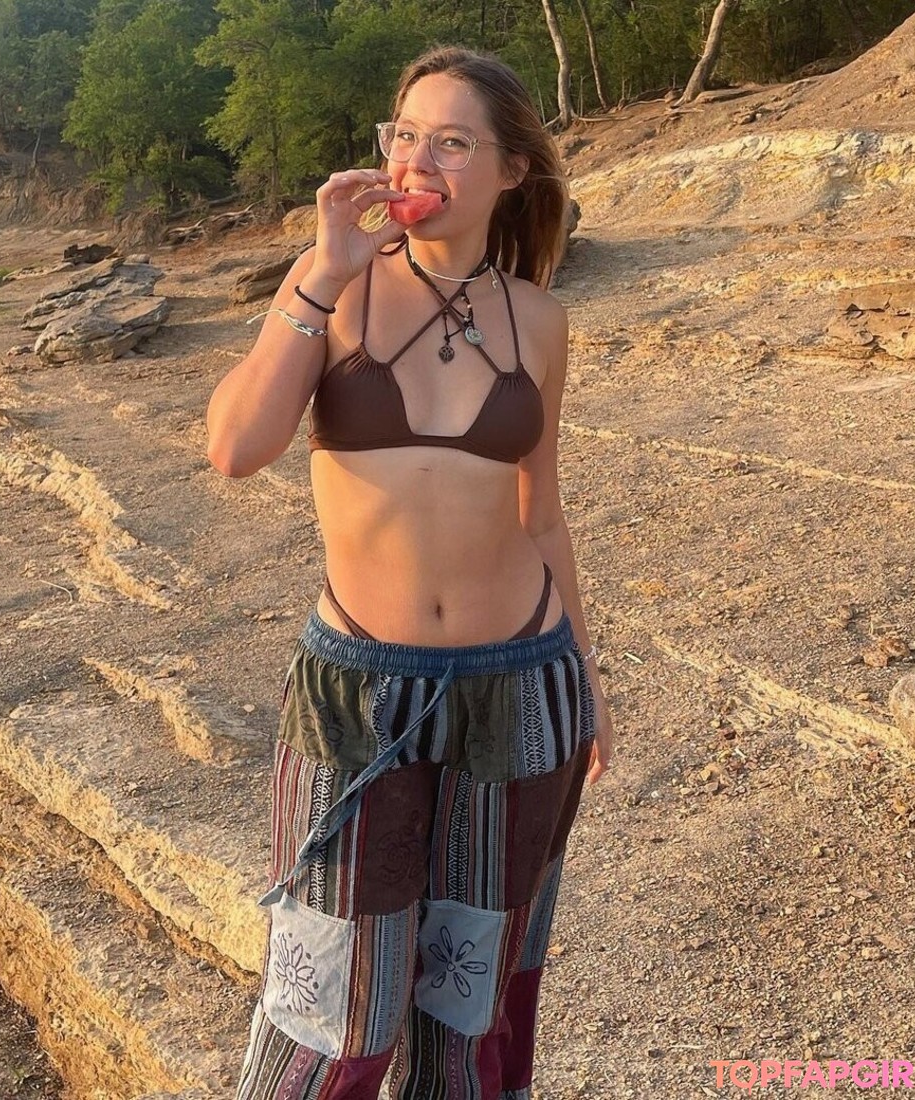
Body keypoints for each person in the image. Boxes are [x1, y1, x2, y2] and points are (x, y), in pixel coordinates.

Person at [206, 44, 614, 1100]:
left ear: (511, 170)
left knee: (467, 1012)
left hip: (521, 687)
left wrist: (587, 678)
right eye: (406, 134)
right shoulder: (333, 289)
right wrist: (323, 268)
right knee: (331, 1018)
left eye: (453, 140)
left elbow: (541, 511)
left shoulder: (540, 319)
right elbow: (236, 447)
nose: (417, 159)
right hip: (358, 692)